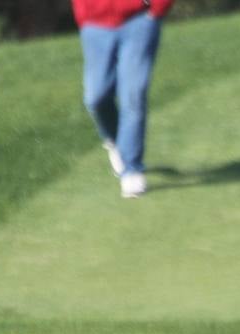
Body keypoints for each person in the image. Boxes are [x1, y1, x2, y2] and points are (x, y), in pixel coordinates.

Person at [71, 0, 175, 198]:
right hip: (94, 24)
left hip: (139, 20)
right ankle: (115, 142)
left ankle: (132, 169)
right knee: (95, 97)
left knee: (133, 96)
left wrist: (156, 9)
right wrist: (84, 14)